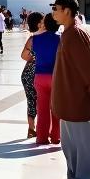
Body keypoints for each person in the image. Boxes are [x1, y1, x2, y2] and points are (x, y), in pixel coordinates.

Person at [50, 0, 90, 179]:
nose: (53, 13)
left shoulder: (76, 34)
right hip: (66, 96)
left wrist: (88, 88)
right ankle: (74, 176)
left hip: (77, 96)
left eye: (56, 8)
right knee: (70, 142)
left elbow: (86, 66)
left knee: (83, 141)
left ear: (66, 11)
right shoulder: (67, 33)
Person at [30, 13, 61, 145]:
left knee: (42, 109)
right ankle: (55, 137)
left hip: (39, 76)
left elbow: (28, 55)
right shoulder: (60, 38)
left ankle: (41, 137)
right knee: (56, 109)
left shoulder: (34, 39)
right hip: (55, 76)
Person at [19, 11, 40, 138]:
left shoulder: (32, 39)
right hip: (34, 74)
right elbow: (24, 56)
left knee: (31, 101)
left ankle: (31, 128)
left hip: (27, 74)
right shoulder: (35, 39)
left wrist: (33, 57)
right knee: (41, 101)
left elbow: (25, 55)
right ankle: (39, 128)